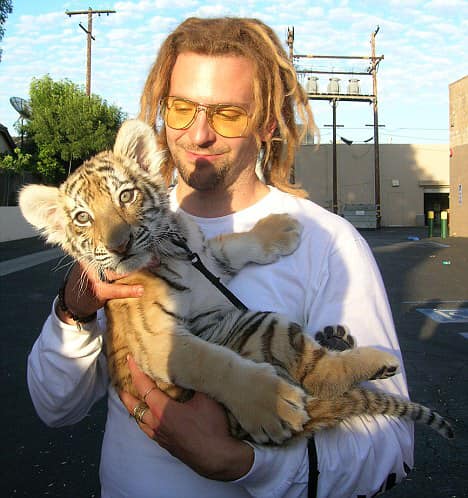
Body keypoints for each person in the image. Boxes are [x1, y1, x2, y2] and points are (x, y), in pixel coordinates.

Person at [27, 17, 414, 498]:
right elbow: (55, 408)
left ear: (267, 123)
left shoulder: (329, 242)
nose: (198, 134)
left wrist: (247, 464)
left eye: (227, 114)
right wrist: (73, 310)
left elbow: (391, 444)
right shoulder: (111, 243)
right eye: (181, 108)